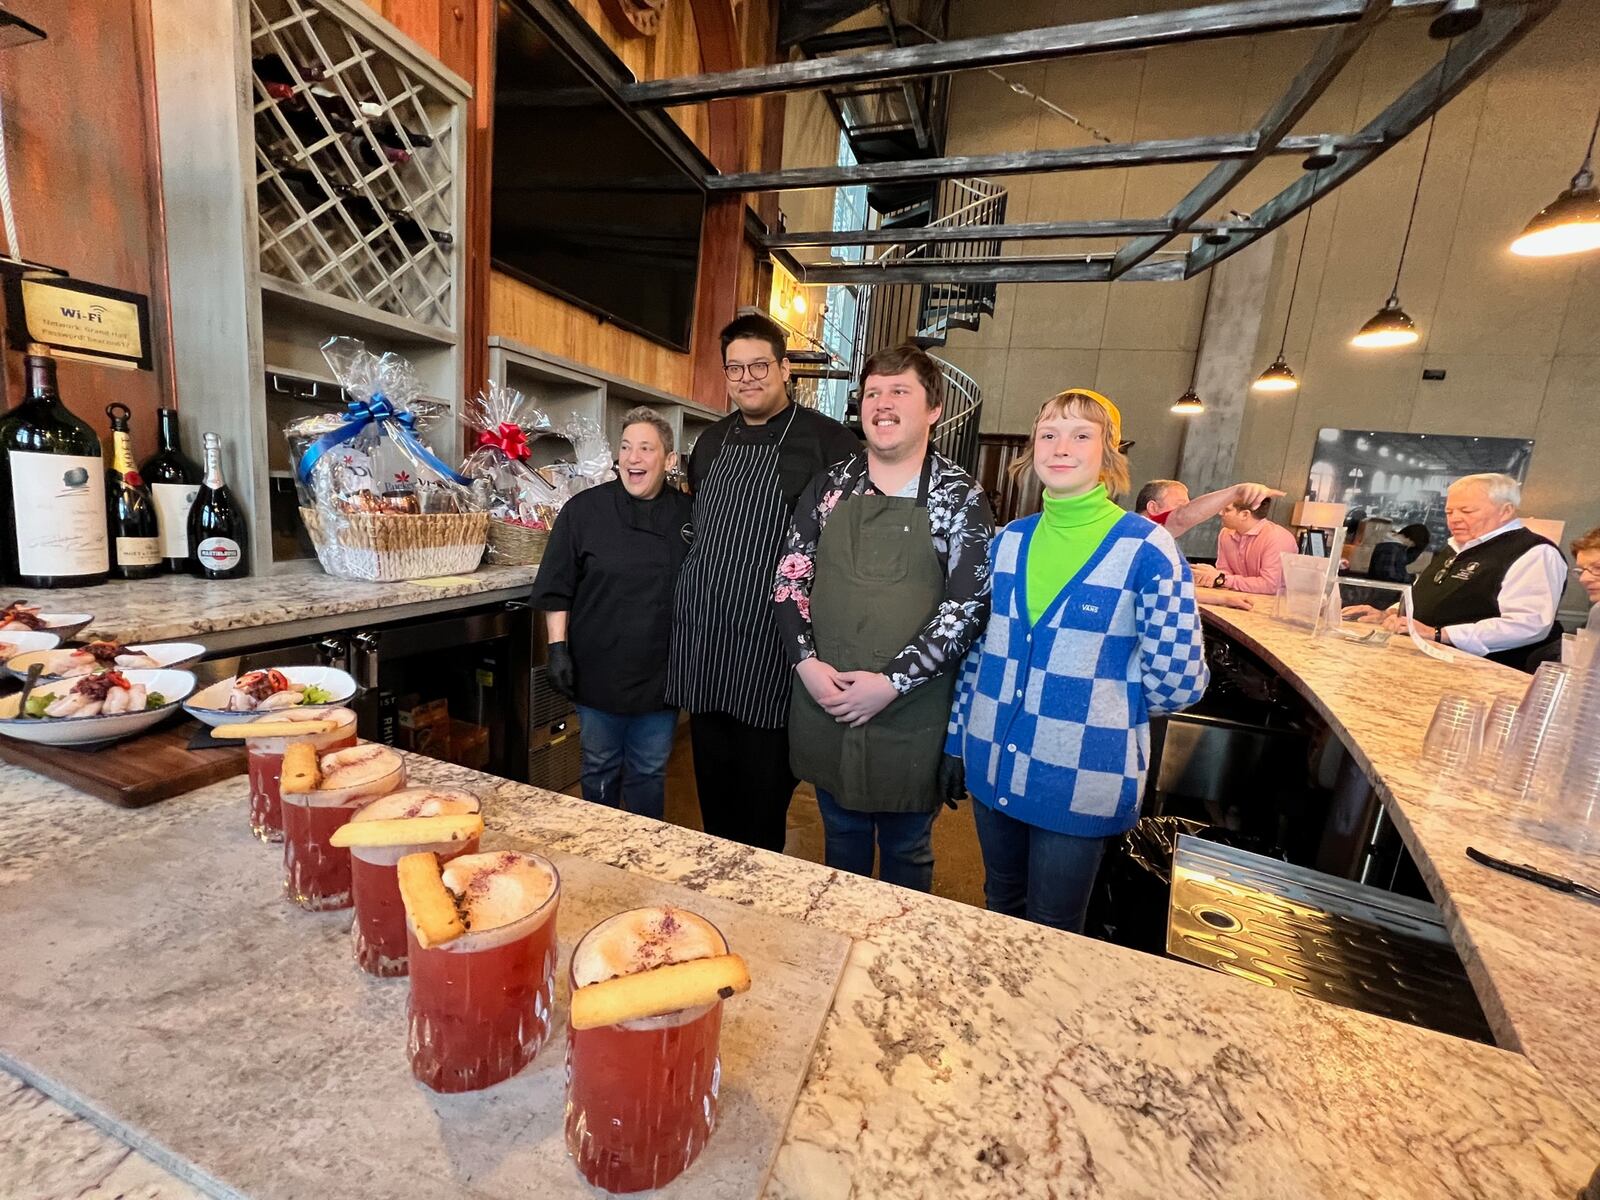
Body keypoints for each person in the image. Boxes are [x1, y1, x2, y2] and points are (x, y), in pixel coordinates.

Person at [941, 388, 1209, 934]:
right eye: (1049, 434)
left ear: (1108, 454)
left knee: (1054, 926)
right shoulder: (1008, 542)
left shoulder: (1147, 549)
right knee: (1000, 904)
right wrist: (955, 740)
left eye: (1081, 435)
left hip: (1082, 777)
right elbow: (977, 652)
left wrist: (1103, 707)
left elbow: (1179, 682)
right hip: (993, 761)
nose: (1061, 447)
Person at [773, 345, 994, 892]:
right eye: (873, 392)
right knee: (840, 838)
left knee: (907, 850)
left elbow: (967, 606)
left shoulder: (959, 496)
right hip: (827, 698)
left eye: (900, 392)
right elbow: (789, 579)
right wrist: (806, 665)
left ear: (934, 409)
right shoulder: (830, 486)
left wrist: (891, 684)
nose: (883, 403)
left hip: (910, 713)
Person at [665, 313, 860, 851]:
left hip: (774, 647)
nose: (747, 378)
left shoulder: (831, 443)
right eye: (735, 369)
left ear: (785, 368)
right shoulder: (709, 443)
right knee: (713, 792)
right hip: (707, 642)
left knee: (763, 799)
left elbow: (842, 551)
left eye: (759, 366)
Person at [530, 407, 693, 819]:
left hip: (663, 672)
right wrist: (558, 649)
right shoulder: (583, 511)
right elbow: (557, 586)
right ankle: (599, 847)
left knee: (649, 770)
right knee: (600, 765)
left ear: (669, 461)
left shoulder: (691, 515)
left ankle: (643, 850)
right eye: (625, 448)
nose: (633, 458)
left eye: (645, 448)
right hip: (597, 665)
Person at [1343, 473, 1567, 671]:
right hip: (1424, 666)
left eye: (1467, 511)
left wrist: (1441, 634)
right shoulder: (1456, 547)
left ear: (1506, 510)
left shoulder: (1534, 552)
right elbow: (1425, 595)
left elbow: (1528, 625)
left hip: (1481, 677)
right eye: (1449, 511)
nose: (1455, 518)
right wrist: (1389, 614)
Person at [1191, 496, 1300, 594]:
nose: (1220, 513)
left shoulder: (1277, 538)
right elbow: (1224, 572)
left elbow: (1270, 586)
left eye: (1227, 509)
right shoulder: (1225, 533)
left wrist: (1221, 579)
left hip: (1273, 607)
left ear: (1244, 514)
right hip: (1237, 598)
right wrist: (1208, 575)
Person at [1134, 478, 1284, 538]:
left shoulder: (1158, 539)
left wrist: (1225, 598)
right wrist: (1237, 491)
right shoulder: (1139, 531)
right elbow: (1181, 518)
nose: (1187, 511)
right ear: (1153, 508)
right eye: (1181, 506)